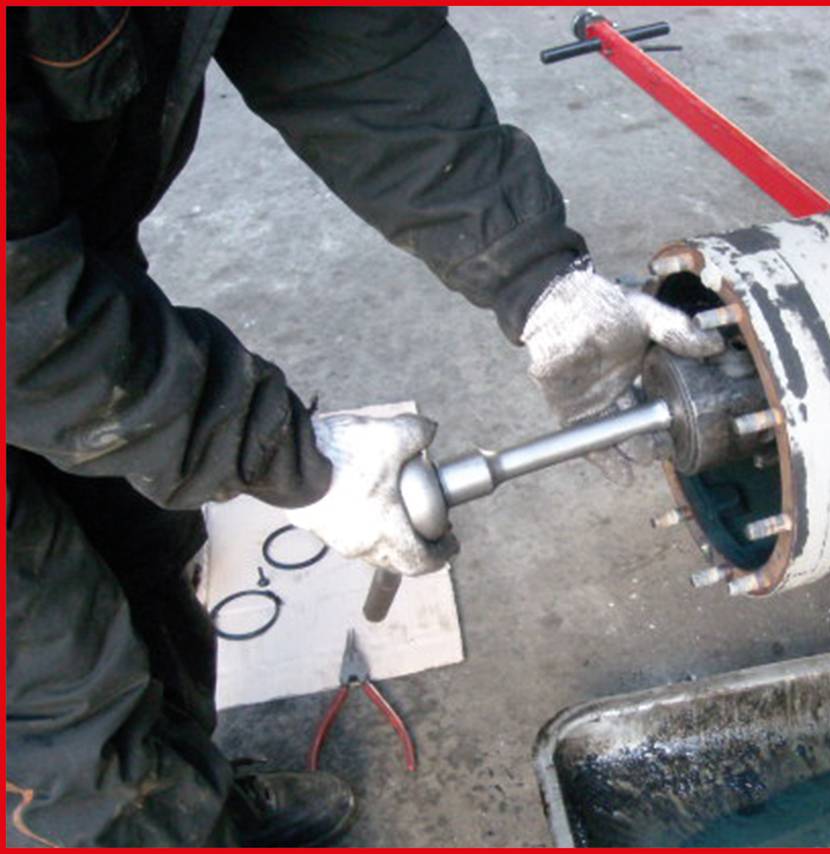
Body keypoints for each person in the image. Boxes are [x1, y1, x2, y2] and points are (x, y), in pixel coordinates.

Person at [6, 7, 722, 846]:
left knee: (136, 558)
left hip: (61, 269)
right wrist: (285, 459)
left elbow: (349, 43)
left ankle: (192, 807)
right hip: (29, 306)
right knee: (66, 712)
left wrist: (537, 275)